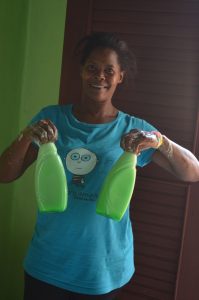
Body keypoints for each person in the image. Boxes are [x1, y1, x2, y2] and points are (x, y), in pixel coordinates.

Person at [0, 32, 199, 300]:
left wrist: (160, 141)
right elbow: (5, 174)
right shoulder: (51, 117)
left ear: (120, 76)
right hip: (47, 265)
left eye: (109, 70)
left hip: (102, 270)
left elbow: (192, 172)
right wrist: (27, 134)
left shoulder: (135, 130)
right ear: (82, 71)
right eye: (92, 68)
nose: (99, 76)